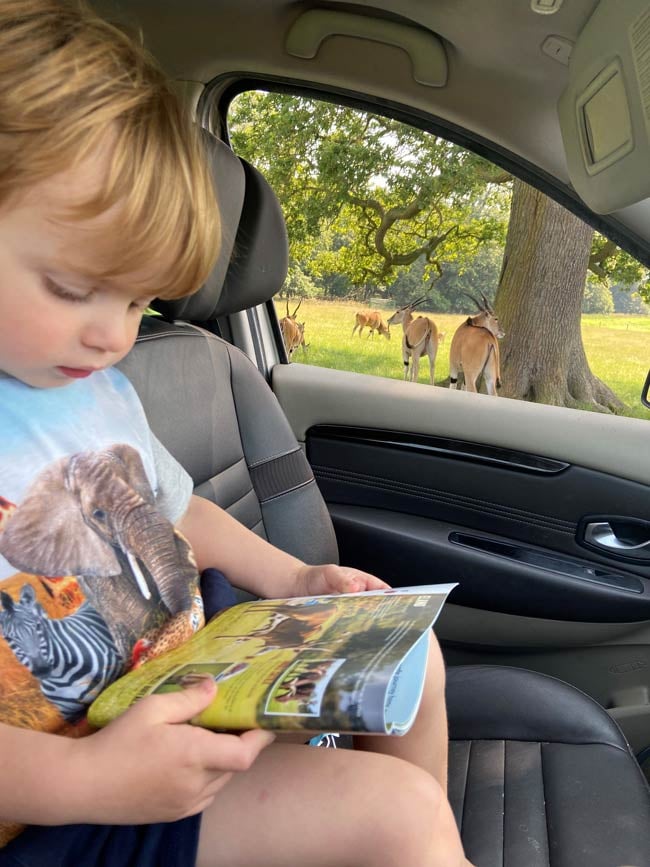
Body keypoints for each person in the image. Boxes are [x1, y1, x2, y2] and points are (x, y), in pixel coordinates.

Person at [0, 2, 474, 866]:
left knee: (411, 656)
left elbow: (178, 512)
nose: (114, 334)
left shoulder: (95, 388)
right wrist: (94, 782)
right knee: (396, 816)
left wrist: (293, 577)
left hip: (178, 689)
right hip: (62, 802)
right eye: (74, 288)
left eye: (140, 300)